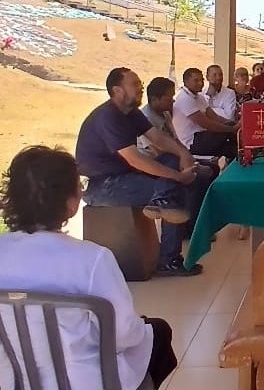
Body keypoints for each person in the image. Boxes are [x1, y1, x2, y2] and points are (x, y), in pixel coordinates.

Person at [0, 146, 179, 390]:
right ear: (70, 202)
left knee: (118, 339)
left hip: (23, 389)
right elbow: (125, 335)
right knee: (157, 333)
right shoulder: (90, 258)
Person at [76, 67, 201, 277]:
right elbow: (134, 158)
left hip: (125, 177)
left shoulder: (131, 113)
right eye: (134, 84)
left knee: (171, 161)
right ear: (117, 90)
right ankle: (168, 259)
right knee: (174, 187)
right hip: (103, 186)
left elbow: (158, 139)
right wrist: (178, 176)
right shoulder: (108, 117)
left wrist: (182, 153)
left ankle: (161, 201)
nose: (140, 88)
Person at [140, 77, 217, 239]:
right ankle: (188, 229)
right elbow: (157, 152)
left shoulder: (165, 114)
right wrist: (188, 166)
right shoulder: (145, 118)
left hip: (175, 160)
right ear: (155, 99)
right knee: (194, 179)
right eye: (169, 97)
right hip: (155, 166)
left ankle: (197, 225)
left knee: (211, 170)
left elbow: (175, 141)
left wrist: (189, 159)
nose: (173, 100)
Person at [172, 67, 239, 161]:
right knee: (229, 133)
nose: (200, 83)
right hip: (192, 142)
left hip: (203, 136)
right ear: (186, 82)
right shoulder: (184, 98)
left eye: (201, 80)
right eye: (196, 80)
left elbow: (214, 116)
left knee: (233, 148)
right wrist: (232, 129)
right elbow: (207, 124)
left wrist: (235, 124)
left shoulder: (199, 97)